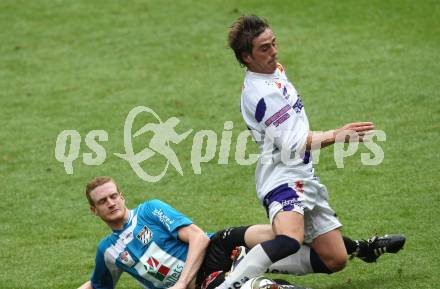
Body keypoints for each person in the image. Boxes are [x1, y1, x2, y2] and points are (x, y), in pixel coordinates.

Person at [215, 15, 406, 289]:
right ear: (246, 57)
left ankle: (249, 258)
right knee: (289, 239)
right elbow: (292, 143)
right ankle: (231, 284)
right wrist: (337, 135)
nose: (274, 52)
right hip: (283, 178)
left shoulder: (273, 72)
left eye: (273, 43)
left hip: (305, 175)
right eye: (264, 48)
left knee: (335, 258)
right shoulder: (262, 95)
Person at [77, 176, 311, 289]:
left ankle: (331, 244)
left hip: (214, 250)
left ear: (122, 196)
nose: (110, 202)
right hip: (202, 282)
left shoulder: (149, 210)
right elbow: (96, 285)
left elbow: (199, 237)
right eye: (102, 201)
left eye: (113, 196)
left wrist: (180, 283)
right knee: (256, 286)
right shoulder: (108, 252)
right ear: (93, 210)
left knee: (270, 236)